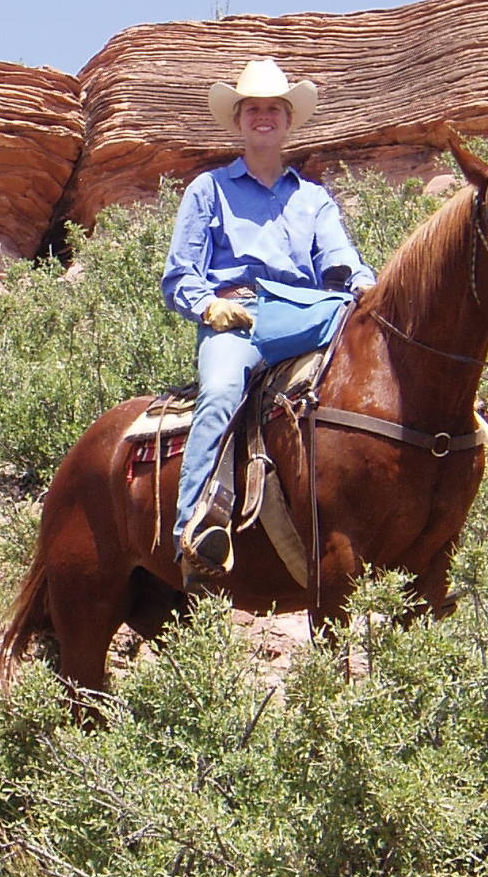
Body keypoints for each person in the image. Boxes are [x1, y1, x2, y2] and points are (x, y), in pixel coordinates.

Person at [160, 58, 376, 583]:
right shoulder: (207, 190)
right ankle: (193, 529)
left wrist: (369, 287)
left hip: (311, 313)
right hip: (243, 316)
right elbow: (178, 275)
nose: (264, 117)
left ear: (287, 120)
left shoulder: (313, 198)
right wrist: (208, 305)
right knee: (219, 390)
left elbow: (341, 261)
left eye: (274, 109)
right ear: (238, 120)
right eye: (253, 108)